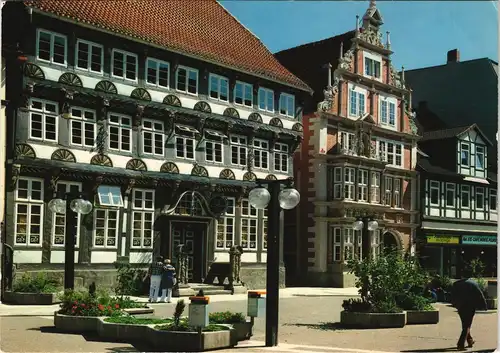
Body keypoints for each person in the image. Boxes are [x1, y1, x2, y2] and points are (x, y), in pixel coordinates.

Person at [451, 278, 488, 350]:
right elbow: (479, 294)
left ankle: (470, 341)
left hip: (460, 307)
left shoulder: (456, 284)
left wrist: (455, 304)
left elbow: (452, 295)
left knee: (465, 324)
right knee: (467, 325)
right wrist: (484, 305)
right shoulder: (473, 283)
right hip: (470, 306)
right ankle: (460, 344)